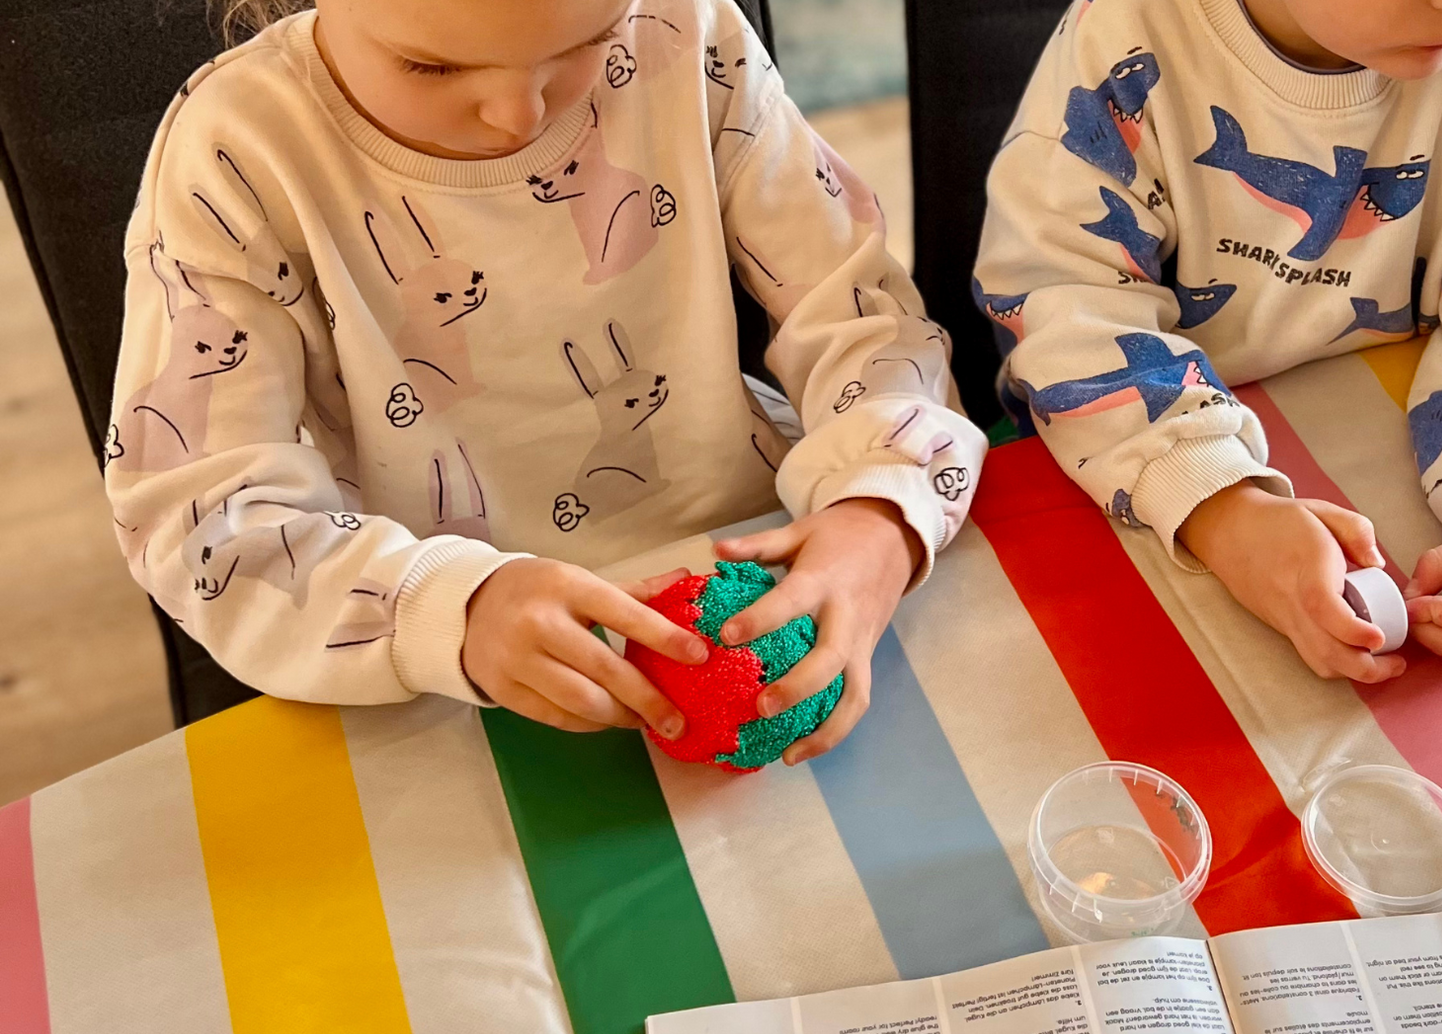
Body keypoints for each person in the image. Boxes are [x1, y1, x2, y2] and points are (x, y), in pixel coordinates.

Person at [107, 0, 985, 762]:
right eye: (431, 64)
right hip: (436, 661)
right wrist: (450, 606)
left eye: (586, 43)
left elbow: (862, 314)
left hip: (758, 553)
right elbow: (200, 515)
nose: (516, 117)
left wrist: (878, 507)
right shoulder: (235, 150)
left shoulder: (685, 34)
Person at [974, 0, 1442, 683]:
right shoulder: (1121, 39)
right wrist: (1222, 510)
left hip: (1381, 458)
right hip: (1122, 472)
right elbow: (1065, 307)